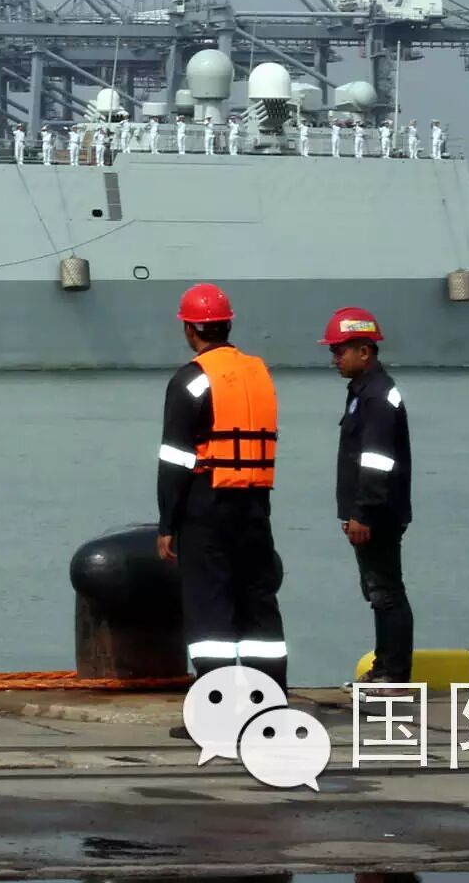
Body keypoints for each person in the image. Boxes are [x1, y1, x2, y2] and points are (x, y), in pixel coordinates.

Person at [155, 281, 286, 684]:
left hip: (206, 507)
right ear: (228, 325)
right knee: (258, 603)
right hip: (256, 506)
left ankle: (217, 700)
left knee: (209, 606)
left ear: (189, 329)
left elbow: (176, 458)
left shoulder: (192, 380)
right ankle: (269, 697)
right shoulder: (258, 373)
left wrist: (167, 524)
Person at [325, 307, 415, 684]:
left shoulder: (375, 397)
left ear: (364, 351)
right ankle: (386, 667)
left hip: (377, 514)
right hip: (373, 511)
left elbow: (376, 461)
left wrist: (362, 513)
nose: (335, 358)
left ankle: (393, 674)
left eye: (340, 350)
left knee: (386, 593)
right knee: (379, 591)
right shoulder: (365, 392)